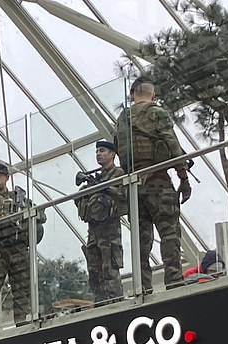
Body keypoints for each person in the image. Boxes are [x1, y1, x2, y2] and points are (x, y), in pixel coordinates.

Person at [114, 76, 192, 293]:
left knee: (141, 242)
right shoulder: (157, 112)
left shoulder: (122, 118)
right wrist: (183, 176)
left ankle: (143, 289)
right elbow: (172, 143)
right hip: (158, 180)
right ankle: (174, 283)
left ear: (132, 94)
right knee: (169, 234)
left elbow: (118, 147)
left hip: (134, 185)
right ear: (153, 95)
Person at [0, 163, 47, 334]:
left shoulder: (18, 197)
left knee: (22, 292)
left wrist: (22, 212)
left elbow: (41, 215)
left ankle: (24, 327)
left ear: (7, 177)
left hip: (18, 249)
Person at [74, 141, 126, 305]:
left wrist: (101, 188)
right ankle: (100, 301)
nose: (98, 154)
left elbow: (121, 195)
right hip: (94, 232)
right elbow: (80, 198)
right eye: (97, 151)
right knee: (94, 272)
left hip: (109, 231)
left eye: (102, 151)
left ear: (112, 154)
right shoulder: (96, 178)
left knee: (109, 269)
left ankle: (115, 301)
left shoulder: (117, 173)